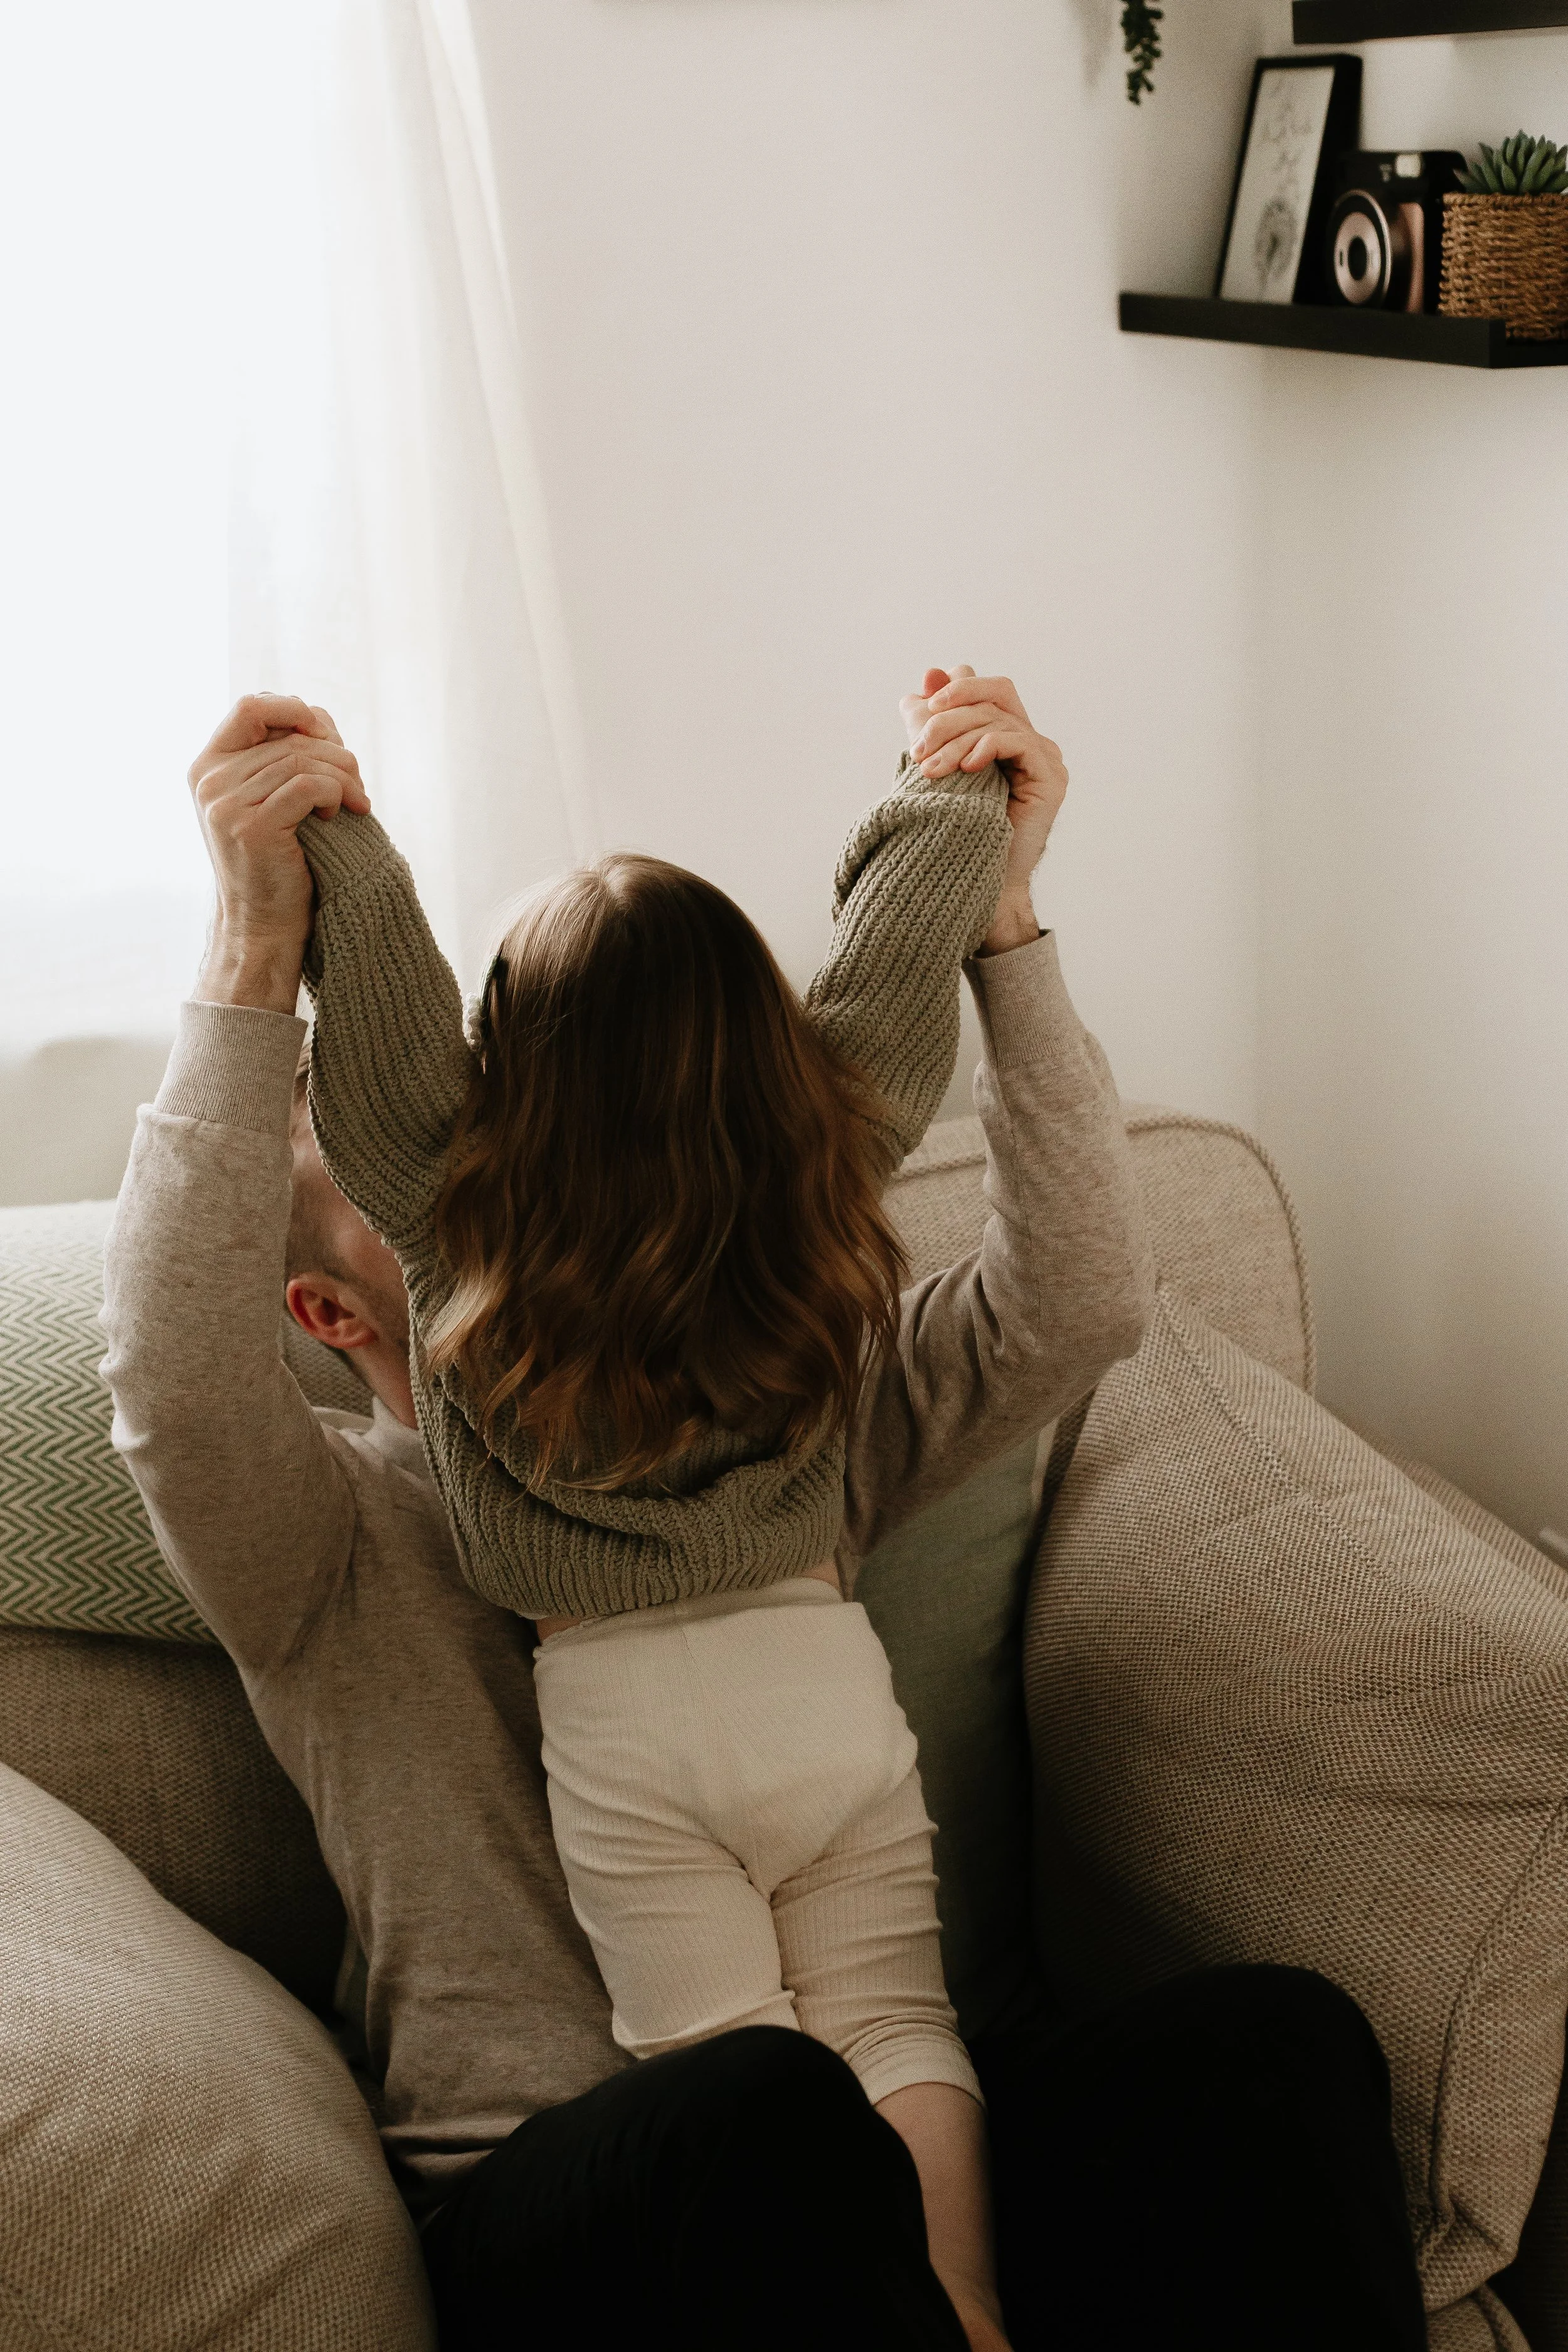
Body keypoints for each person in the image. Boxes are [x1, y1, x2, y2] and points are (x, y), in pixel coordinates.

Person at [100, 677, 1428, 2351]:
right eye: (473, 1099)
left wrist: (995, 923)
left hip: (899, 2139)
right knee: (759, 2110)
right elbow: (166, 1364)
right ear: (331, 1310)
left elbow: (1078, 1294)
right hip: (605, 2194)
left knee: (1273, 2043)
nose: (569, 1168)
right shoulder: (317, 1545)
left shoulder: (788, 1430)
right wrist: (253, 967)